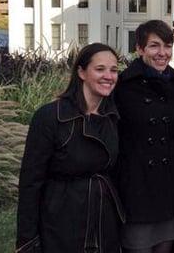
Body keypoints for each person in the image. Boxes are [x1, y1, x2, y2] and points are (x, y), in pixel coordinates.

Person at [16, 43, 124, 253]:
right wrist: (27, 240)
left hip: (104, 218)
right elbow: (30, 182)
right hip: (61, 219)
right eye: (100, 69)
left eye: (114, 70)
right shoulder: (50, 116)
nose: (109, 76)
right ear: (81, 72)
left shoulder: (113, 116)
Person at [115, 20, 174, 253]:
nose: (162, 53)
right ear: (140, 49)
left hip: (168, 187)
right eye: (154, 46)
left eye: (167, 45)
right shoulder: (122, 86)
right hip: (137, 188)